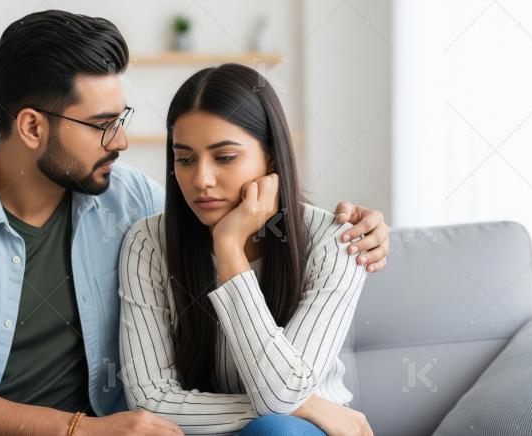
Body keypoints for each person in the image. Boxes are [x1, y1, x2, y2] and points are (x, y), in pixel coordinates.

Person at [0, 10, 389, 436]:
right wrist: (79, 431)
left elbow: (221, 213)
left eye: (121, 119)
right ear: (31, 127)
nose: (120, 141)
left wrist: (362, 229)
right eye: (101, 125)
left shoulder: (133, 201)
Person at [119, 63, 375, 435]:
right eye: (185, 159)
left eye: (224, 157)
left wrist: (228, 248)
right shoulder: (147, 242)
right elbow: (150, 401)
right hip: (204, 432)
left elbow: (281, 399)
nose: (201, 180)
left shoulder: (334, 241)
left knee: (275, 430)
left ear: (270, 156)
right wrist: (311, 405)